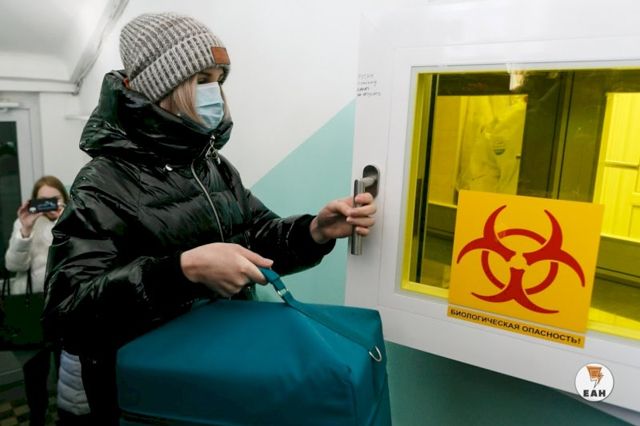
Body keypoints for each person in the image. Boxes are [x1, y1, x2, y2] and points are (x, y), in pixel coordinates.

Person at [42, 12, 376, 425]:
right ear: (160, 87)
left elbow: (256, 238)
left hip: (216, 378)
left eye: (219, 79)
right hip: (150, 399)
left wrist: (314, 230)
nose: (215, 92)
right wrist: (182, 272)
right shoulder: (103, 182)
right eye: (201, 79)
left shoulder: (211, 165)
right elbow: (67, 313)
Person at [4, 175, 68, 426]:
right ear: (34, 202)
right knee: (35, 373)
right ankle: (37, 417)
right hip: (33, 311)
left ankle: (66, 416)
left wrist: (65, 221)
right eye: (43, 201)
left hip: (65, 309)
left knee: (67, 371)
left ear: (64, 199)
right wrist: (26, 229)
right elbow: (13, 265)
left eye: (55, 199)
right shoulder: (25, 223)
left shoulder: (75, 219)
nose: (49, 205)